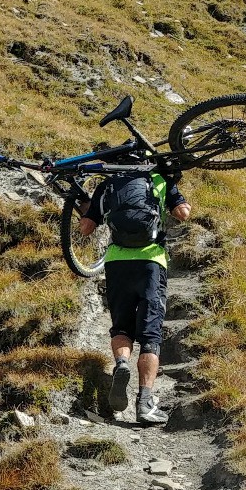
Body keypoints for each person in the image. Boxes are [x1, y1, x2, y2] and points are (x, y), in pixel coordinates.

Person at [77, 169, 191, 425]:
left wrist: (86, 207)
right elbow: (182, 214)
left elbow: (86, 228)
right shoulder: (159, 180)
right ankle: (145, 402)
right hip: (151, 263)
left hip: (117, 263)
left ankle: (121, 364)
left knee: (121, 327)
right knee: (150, 335)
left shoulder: (107, 185)